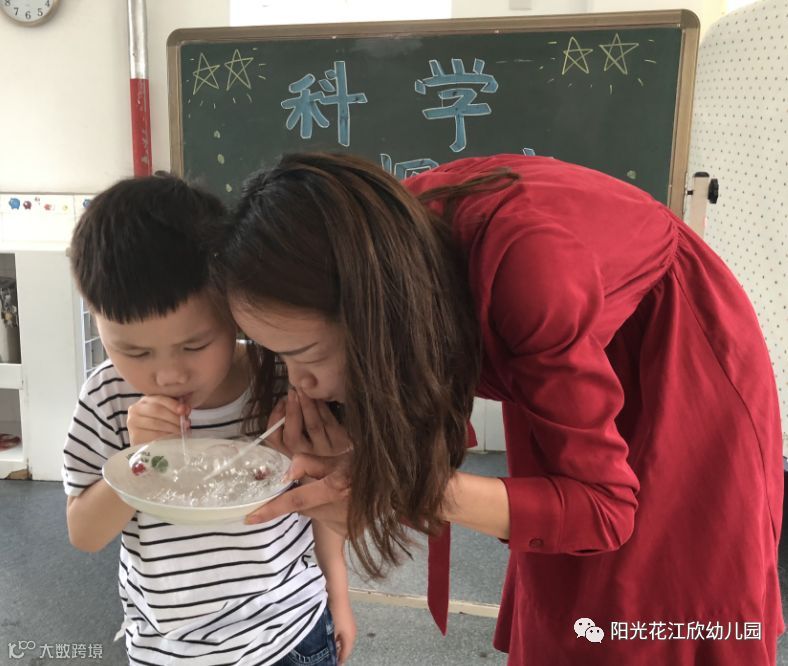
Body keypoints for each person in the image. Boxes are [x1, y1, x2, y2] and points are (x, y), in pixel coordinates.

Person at [209, 152, 784, 665]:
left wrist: (404, 487)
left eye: (307, 356)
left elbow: (603, 510)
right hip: (564, 329)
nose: (301, 384)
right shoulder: (375, 249)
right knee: (566, 587)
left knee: (657, 599)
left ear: (372, 318)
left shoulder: (524, 269)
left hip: (677, 355)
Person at [62, 174, 355, 665]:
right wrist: (138, 461)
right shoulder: (108, 397)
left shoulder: (280, 378)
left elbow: (319, 500)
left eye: (195, 345)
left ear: (234, 312)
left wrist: (338, 594)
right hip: (169, 650)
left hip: (290, 631)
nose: (168, 374)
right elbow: (84, 534)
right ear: (96, 321)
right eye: (134, 351)